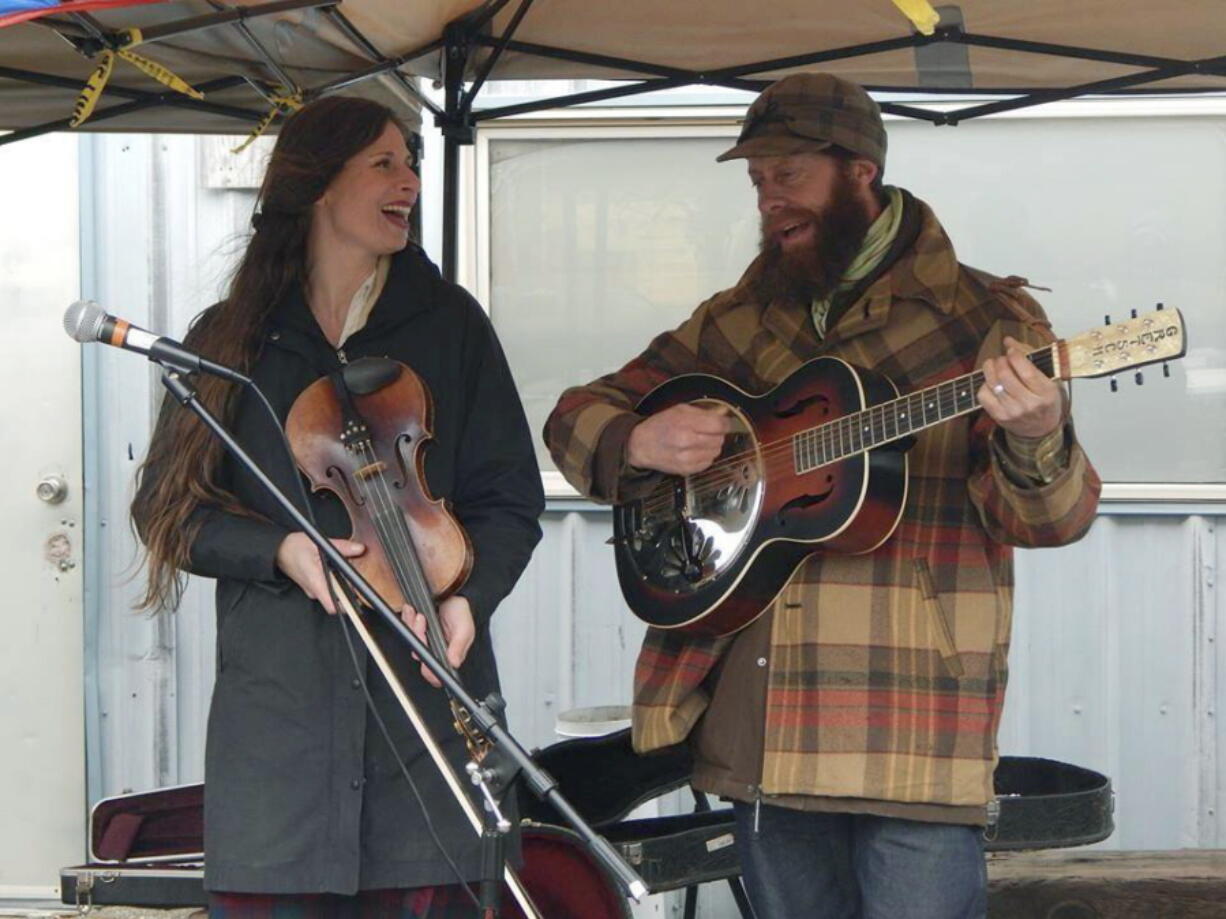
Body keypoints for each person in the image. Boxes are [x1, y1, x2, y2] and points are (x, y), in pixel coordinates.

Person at [543, 72, 1101, 919]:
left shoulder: (983, 319)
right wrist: (637, 441)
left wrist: (1036, 431)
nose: (770, 199)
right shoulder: (737, 321)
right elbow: (577, 412)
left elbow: (1051, 517)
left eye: (789, 175)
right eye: (757, 180)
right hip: (760, 712)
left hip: (910, 710)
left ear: (860, 173)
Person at [131, 95, 544, 917]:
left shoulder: (451, 326)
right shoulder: (233, 338)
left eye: (413, 163)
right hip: (280, 743)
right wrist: (280, 551)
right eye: (384, 163)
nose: (410, 182)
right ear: (319, 184)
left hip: (424, 722)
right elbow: (168, 513)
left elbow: (510, 499)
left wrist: (471, 599)